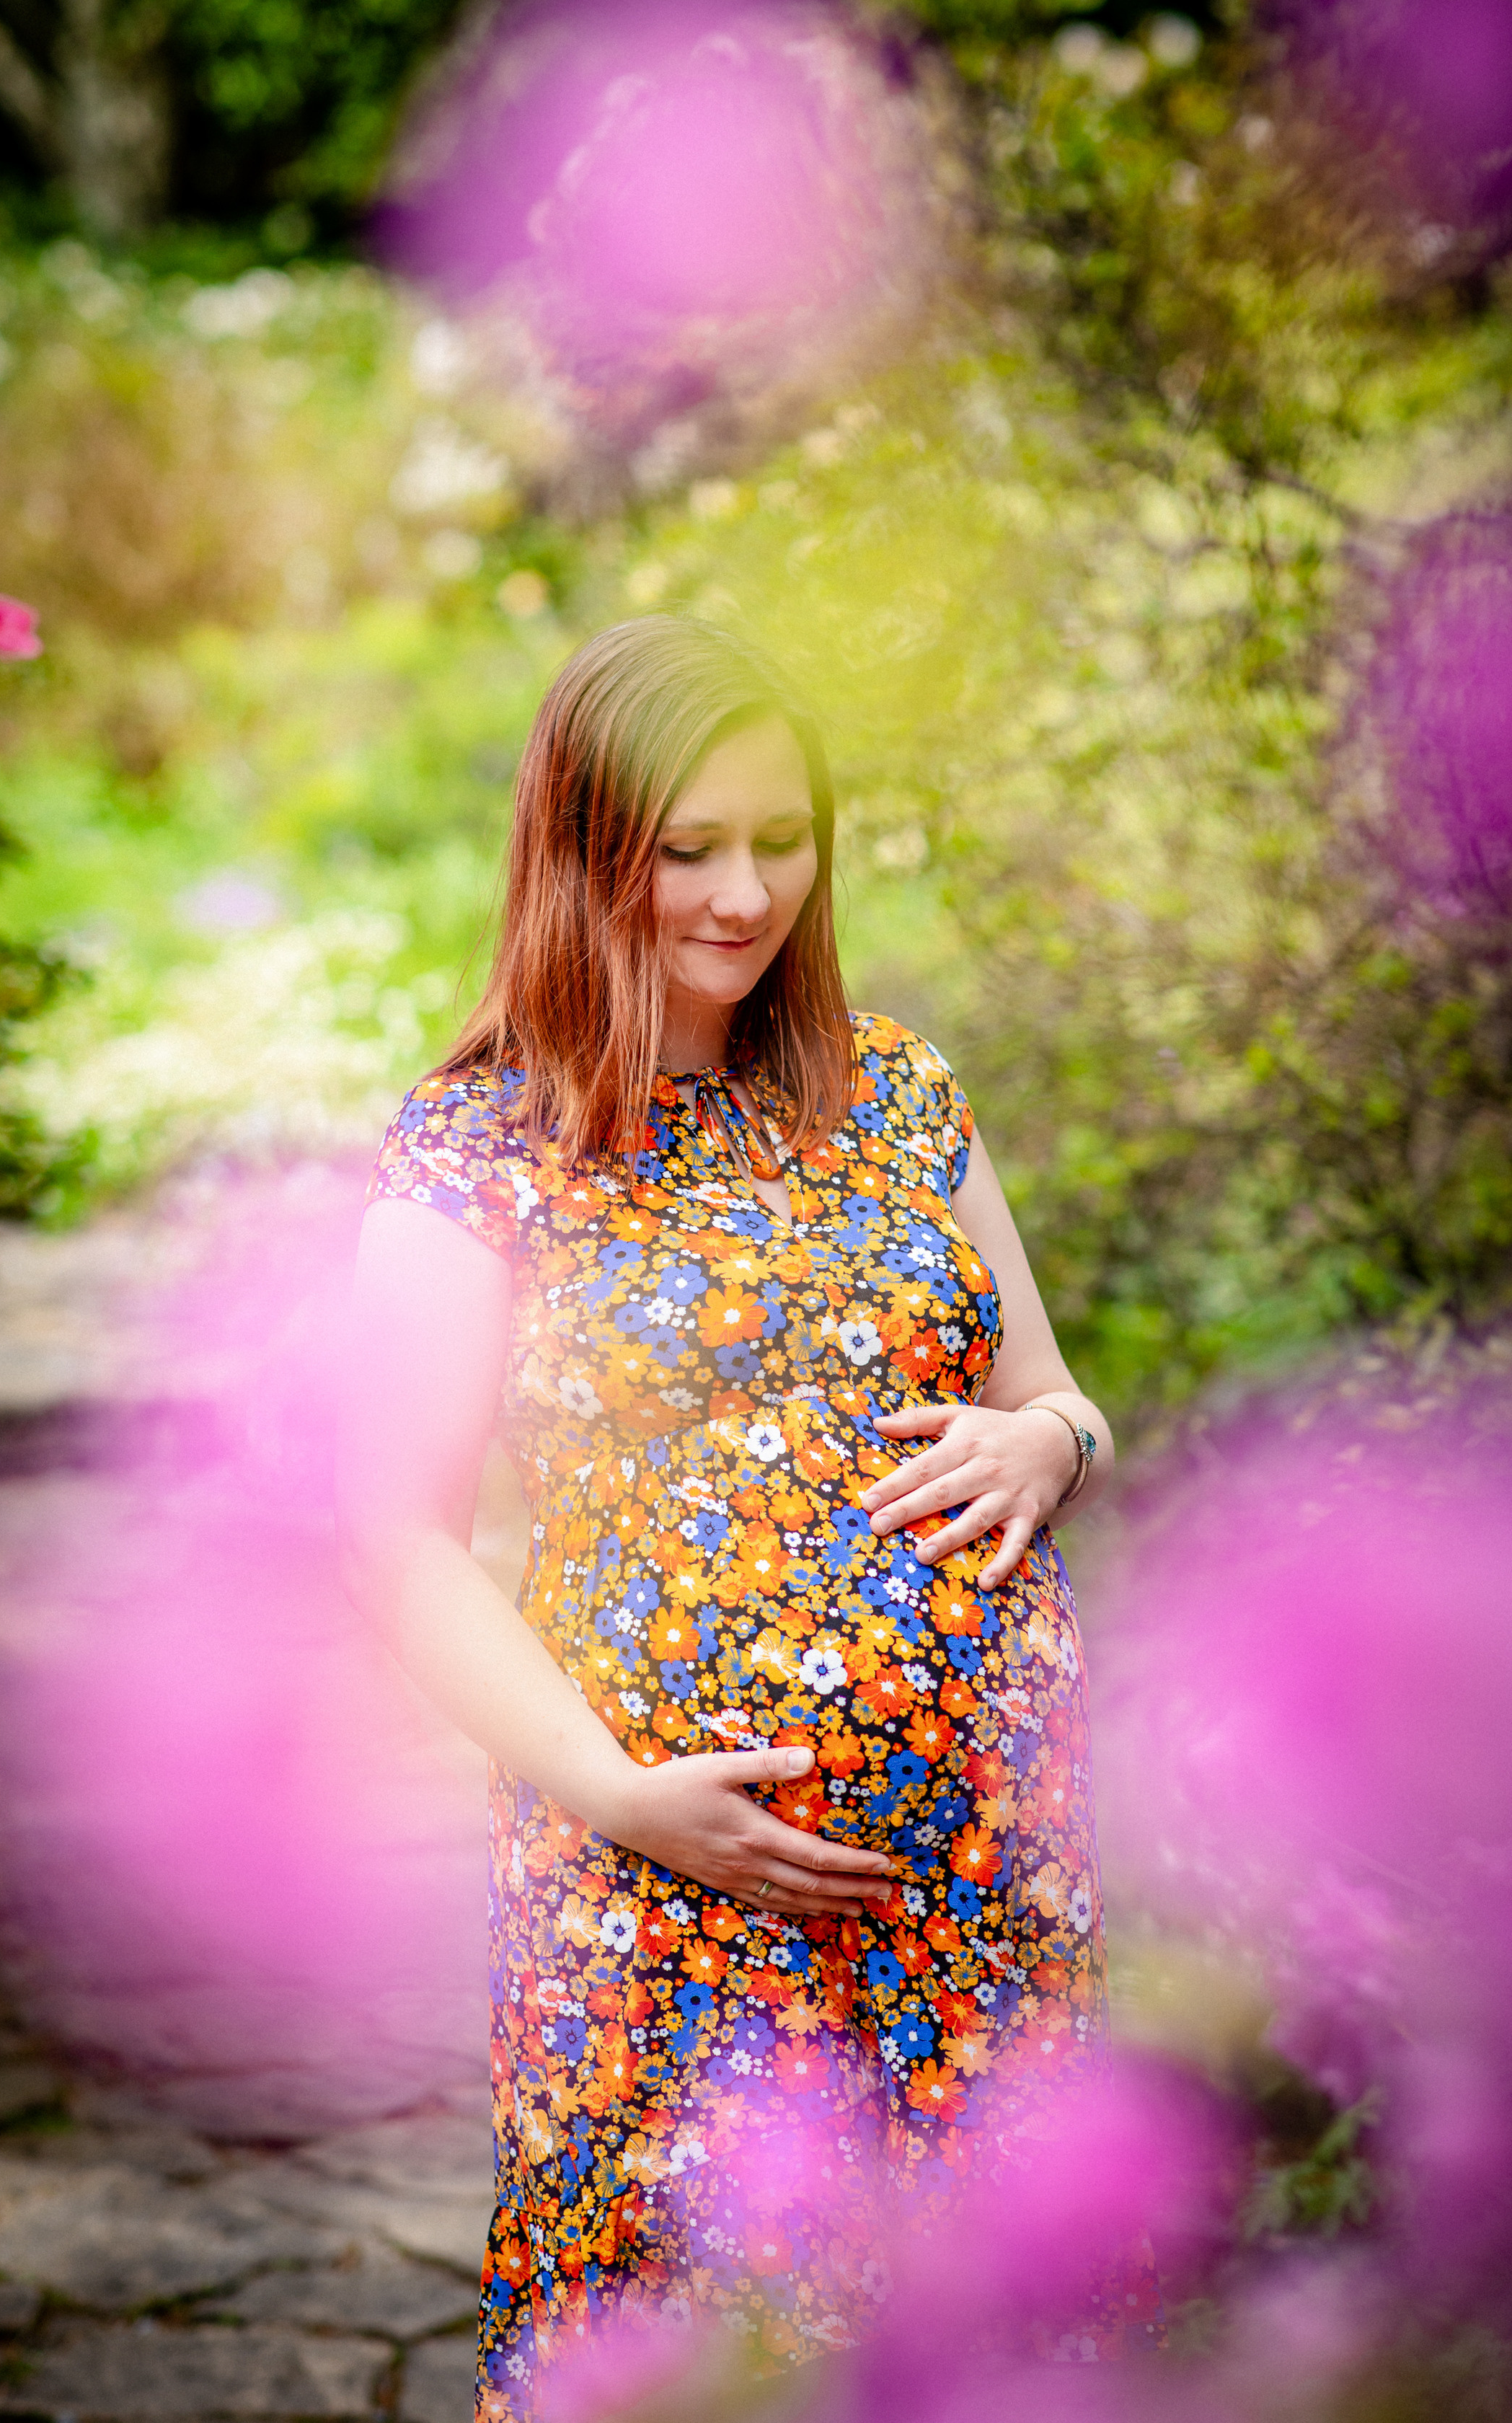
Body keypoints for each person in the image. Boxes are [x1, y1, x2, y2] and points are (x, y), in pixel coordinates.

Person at [338, 617, 1158, 2421]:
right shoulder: (479, 1150)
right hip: (674, 1890)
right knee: (700, 2345)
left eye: (780, 838)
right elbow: (392, 1538)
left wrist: (1052, 1448)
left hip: (984, 1884)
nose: (744, 892)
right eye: (687, 846)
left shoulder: (898, 1091)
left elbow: (1052, 1392)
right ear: (582, 846)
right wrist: (619, 1793)